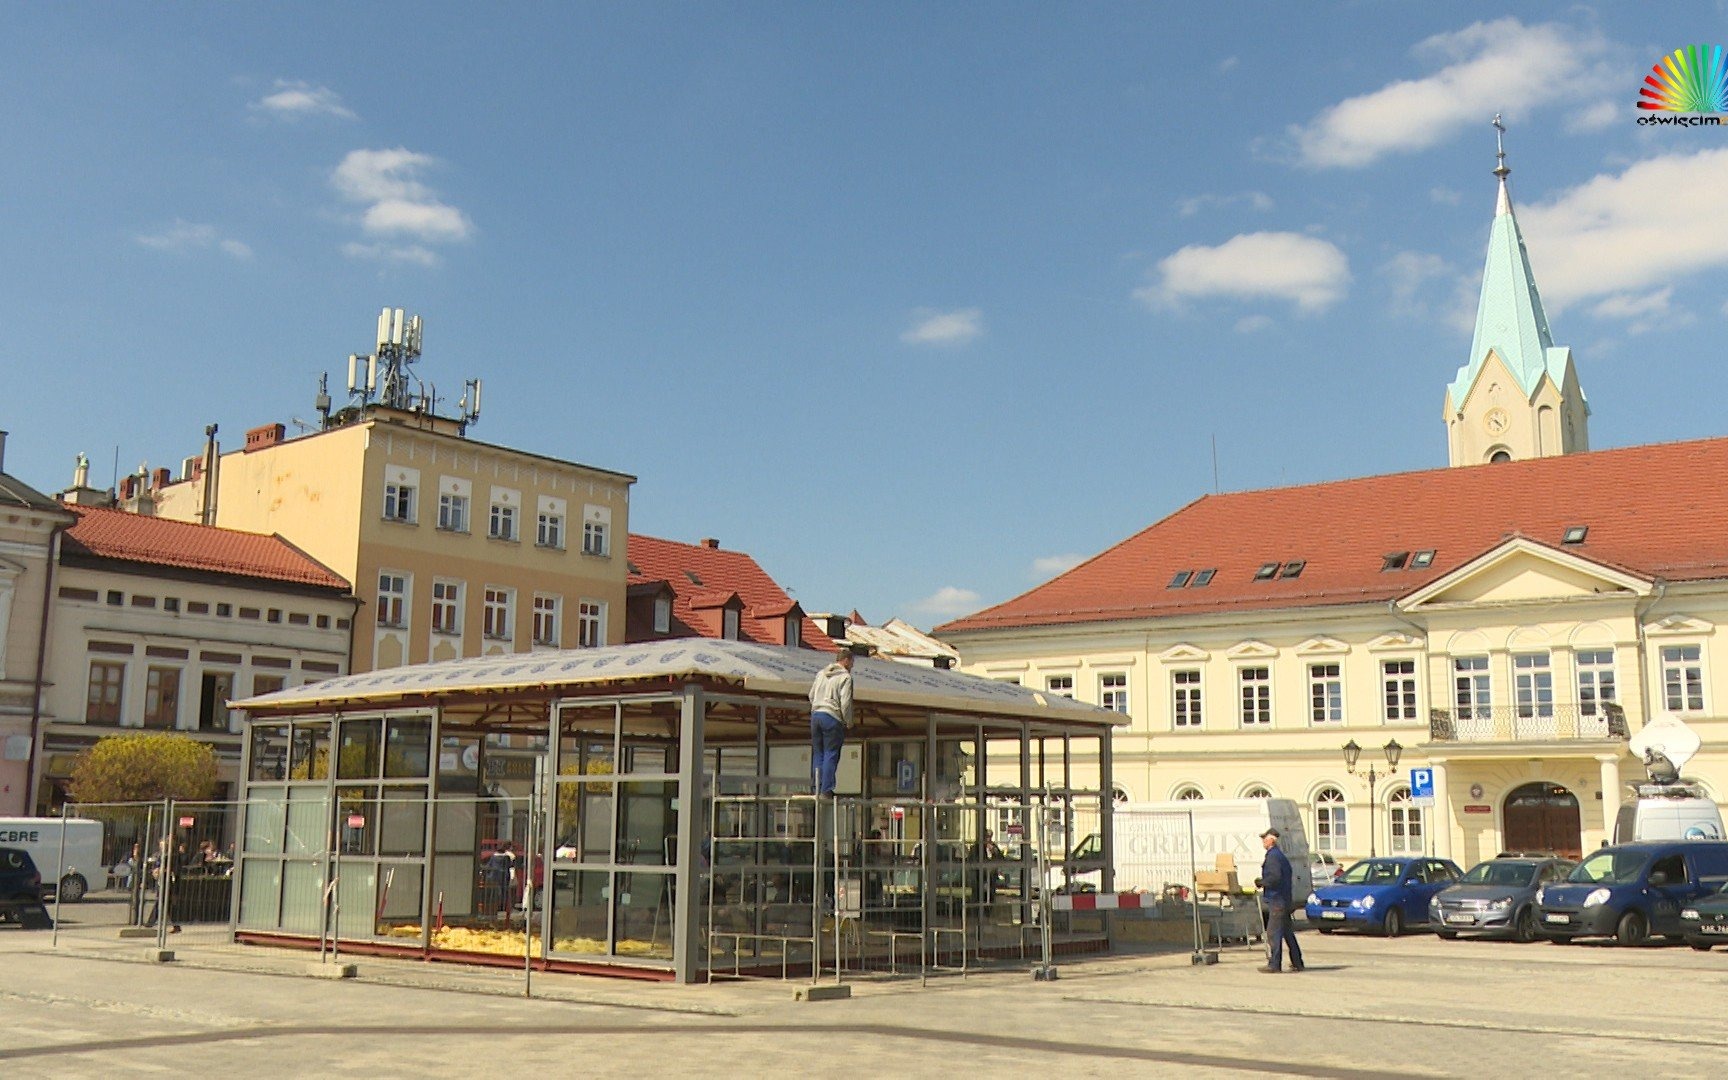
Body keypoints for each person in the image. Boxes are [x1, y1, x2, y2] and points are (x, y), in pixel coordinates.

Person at [807, 648, 856, 797]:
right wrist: (848, 722)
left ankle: (816, 786)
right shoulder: (845, 677)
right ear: (846, 661)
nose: (852, 667)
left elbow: (811, 695)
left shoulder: (821, 674)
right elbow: (845, 703)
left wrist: (817, 706)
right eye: (852, 663)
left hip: (816, 715)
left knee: (818, 753)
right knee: (831, 753)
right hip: (832, 716)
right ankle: (826, 789)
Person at [1256, 828, 1302, 973]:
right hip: (1284, 900)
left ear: (1271, 840)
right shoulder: (1279, 855)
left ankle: (1274, 964)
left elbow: (1275, 877)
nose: (1263, 841)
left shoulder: (1273, 856)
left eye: (1265, 838)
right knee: (1287, 932)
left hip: (1277, 900)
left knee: (1273, 933)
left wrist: (1262, 882)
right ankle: (1297, 962)